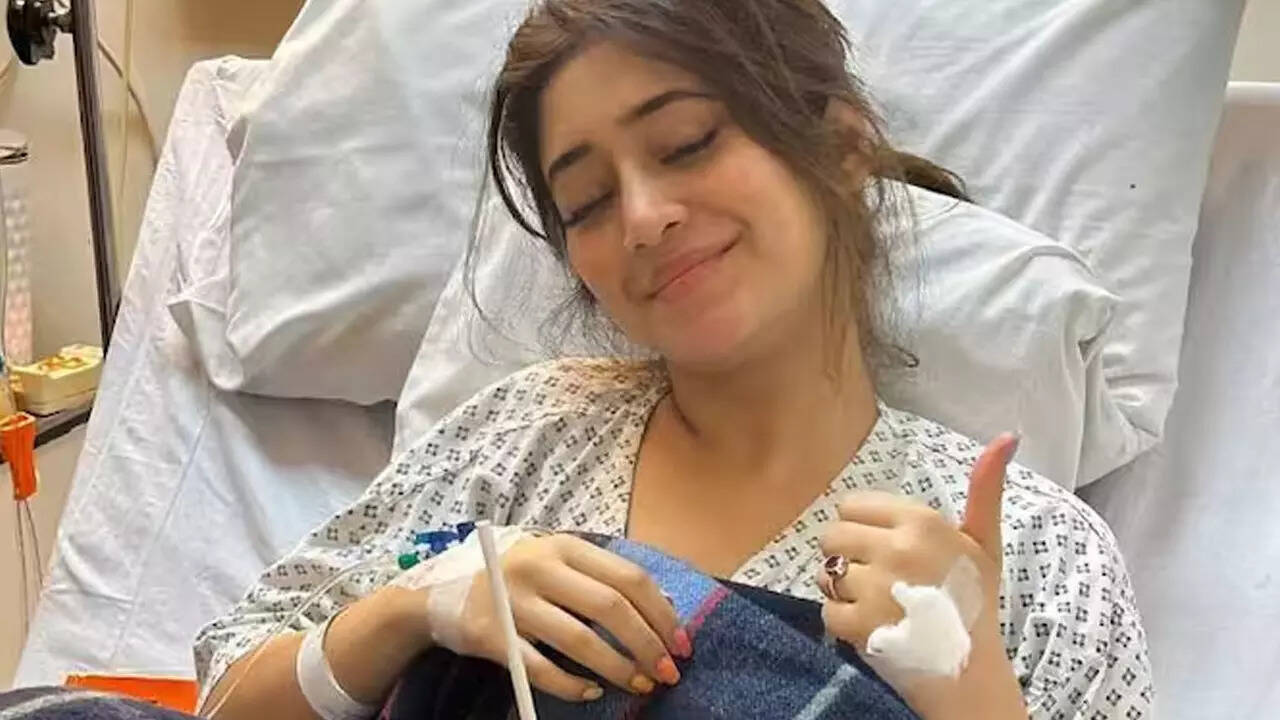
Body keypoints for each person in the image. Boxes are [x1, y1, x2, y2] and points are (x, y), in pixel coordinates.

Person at [194, 1, 1153, 718]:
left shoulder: (1036, 553)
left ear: (840, 144)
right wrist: (411, 609)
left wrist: (973, 693)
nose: (645, 217)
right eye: (589, 203)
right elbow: (224, 692)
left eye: (687, 143)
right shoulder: (520, 440)